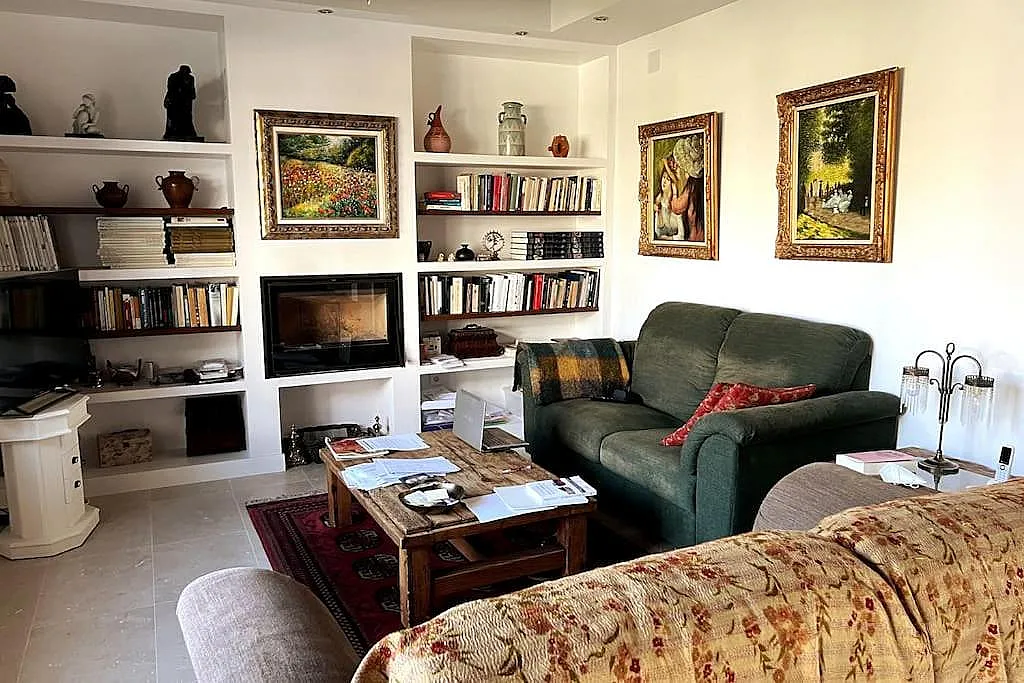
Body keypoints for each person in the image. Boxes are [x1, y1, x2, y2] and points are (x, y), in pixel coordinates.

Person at [163, 65, 200, 140]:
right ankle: (174, 133)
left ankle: (186, 133)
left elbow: (192, 90)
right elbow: (171, 89)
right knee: (174, 119)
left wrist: (190, 95)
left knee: (186, 119)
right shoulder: (173, 77)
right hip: (174, 102)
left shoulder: (190, 78)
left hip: (185, 103)